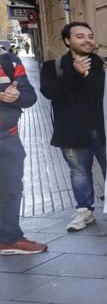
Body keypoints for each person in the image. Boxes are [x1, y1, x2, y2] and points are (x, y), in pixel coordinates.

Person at [41, 22, 107, 232]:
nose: (87, 40)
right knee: (79, 172)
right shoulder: (52, 66)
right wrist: (74, 73)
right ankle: (84, 211)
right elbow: (51, 92)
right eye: (80, 36)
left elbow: (106, 91)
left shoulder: (103, 63)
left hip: (103, 128)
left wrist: (98, 74)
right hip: (72, 131)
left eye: (90, 36)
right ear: (67, 41)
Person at [0, 48, 45, 254]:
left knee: (11, 189)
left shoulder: (8, 60)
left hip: (7, 138)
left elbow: (29, 96)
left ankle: (9, 238)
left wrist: (17, 96)